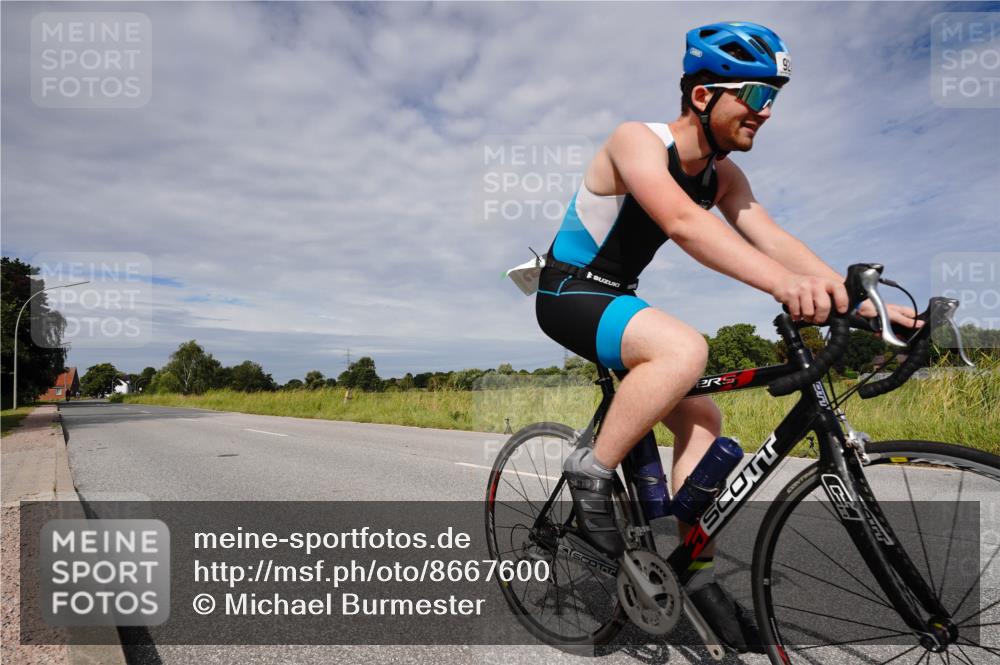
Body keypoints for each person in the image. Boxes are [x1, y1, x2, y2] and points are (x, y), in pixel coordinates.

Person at [534, 21, 921, 653]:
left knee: (704, 417)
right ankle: (592, 466)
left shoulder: (725, 178)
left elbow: (774, 240)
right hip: (569, 290)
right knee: (684, 349)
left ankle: (692, 572)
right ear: (703, 95)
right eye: (758, 96)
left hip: (618, 297)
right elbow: (683, 223)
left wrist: (862, 306)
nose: (767, 113)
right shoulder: (637, 141)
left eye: (776, 99)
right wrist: (780, 286)